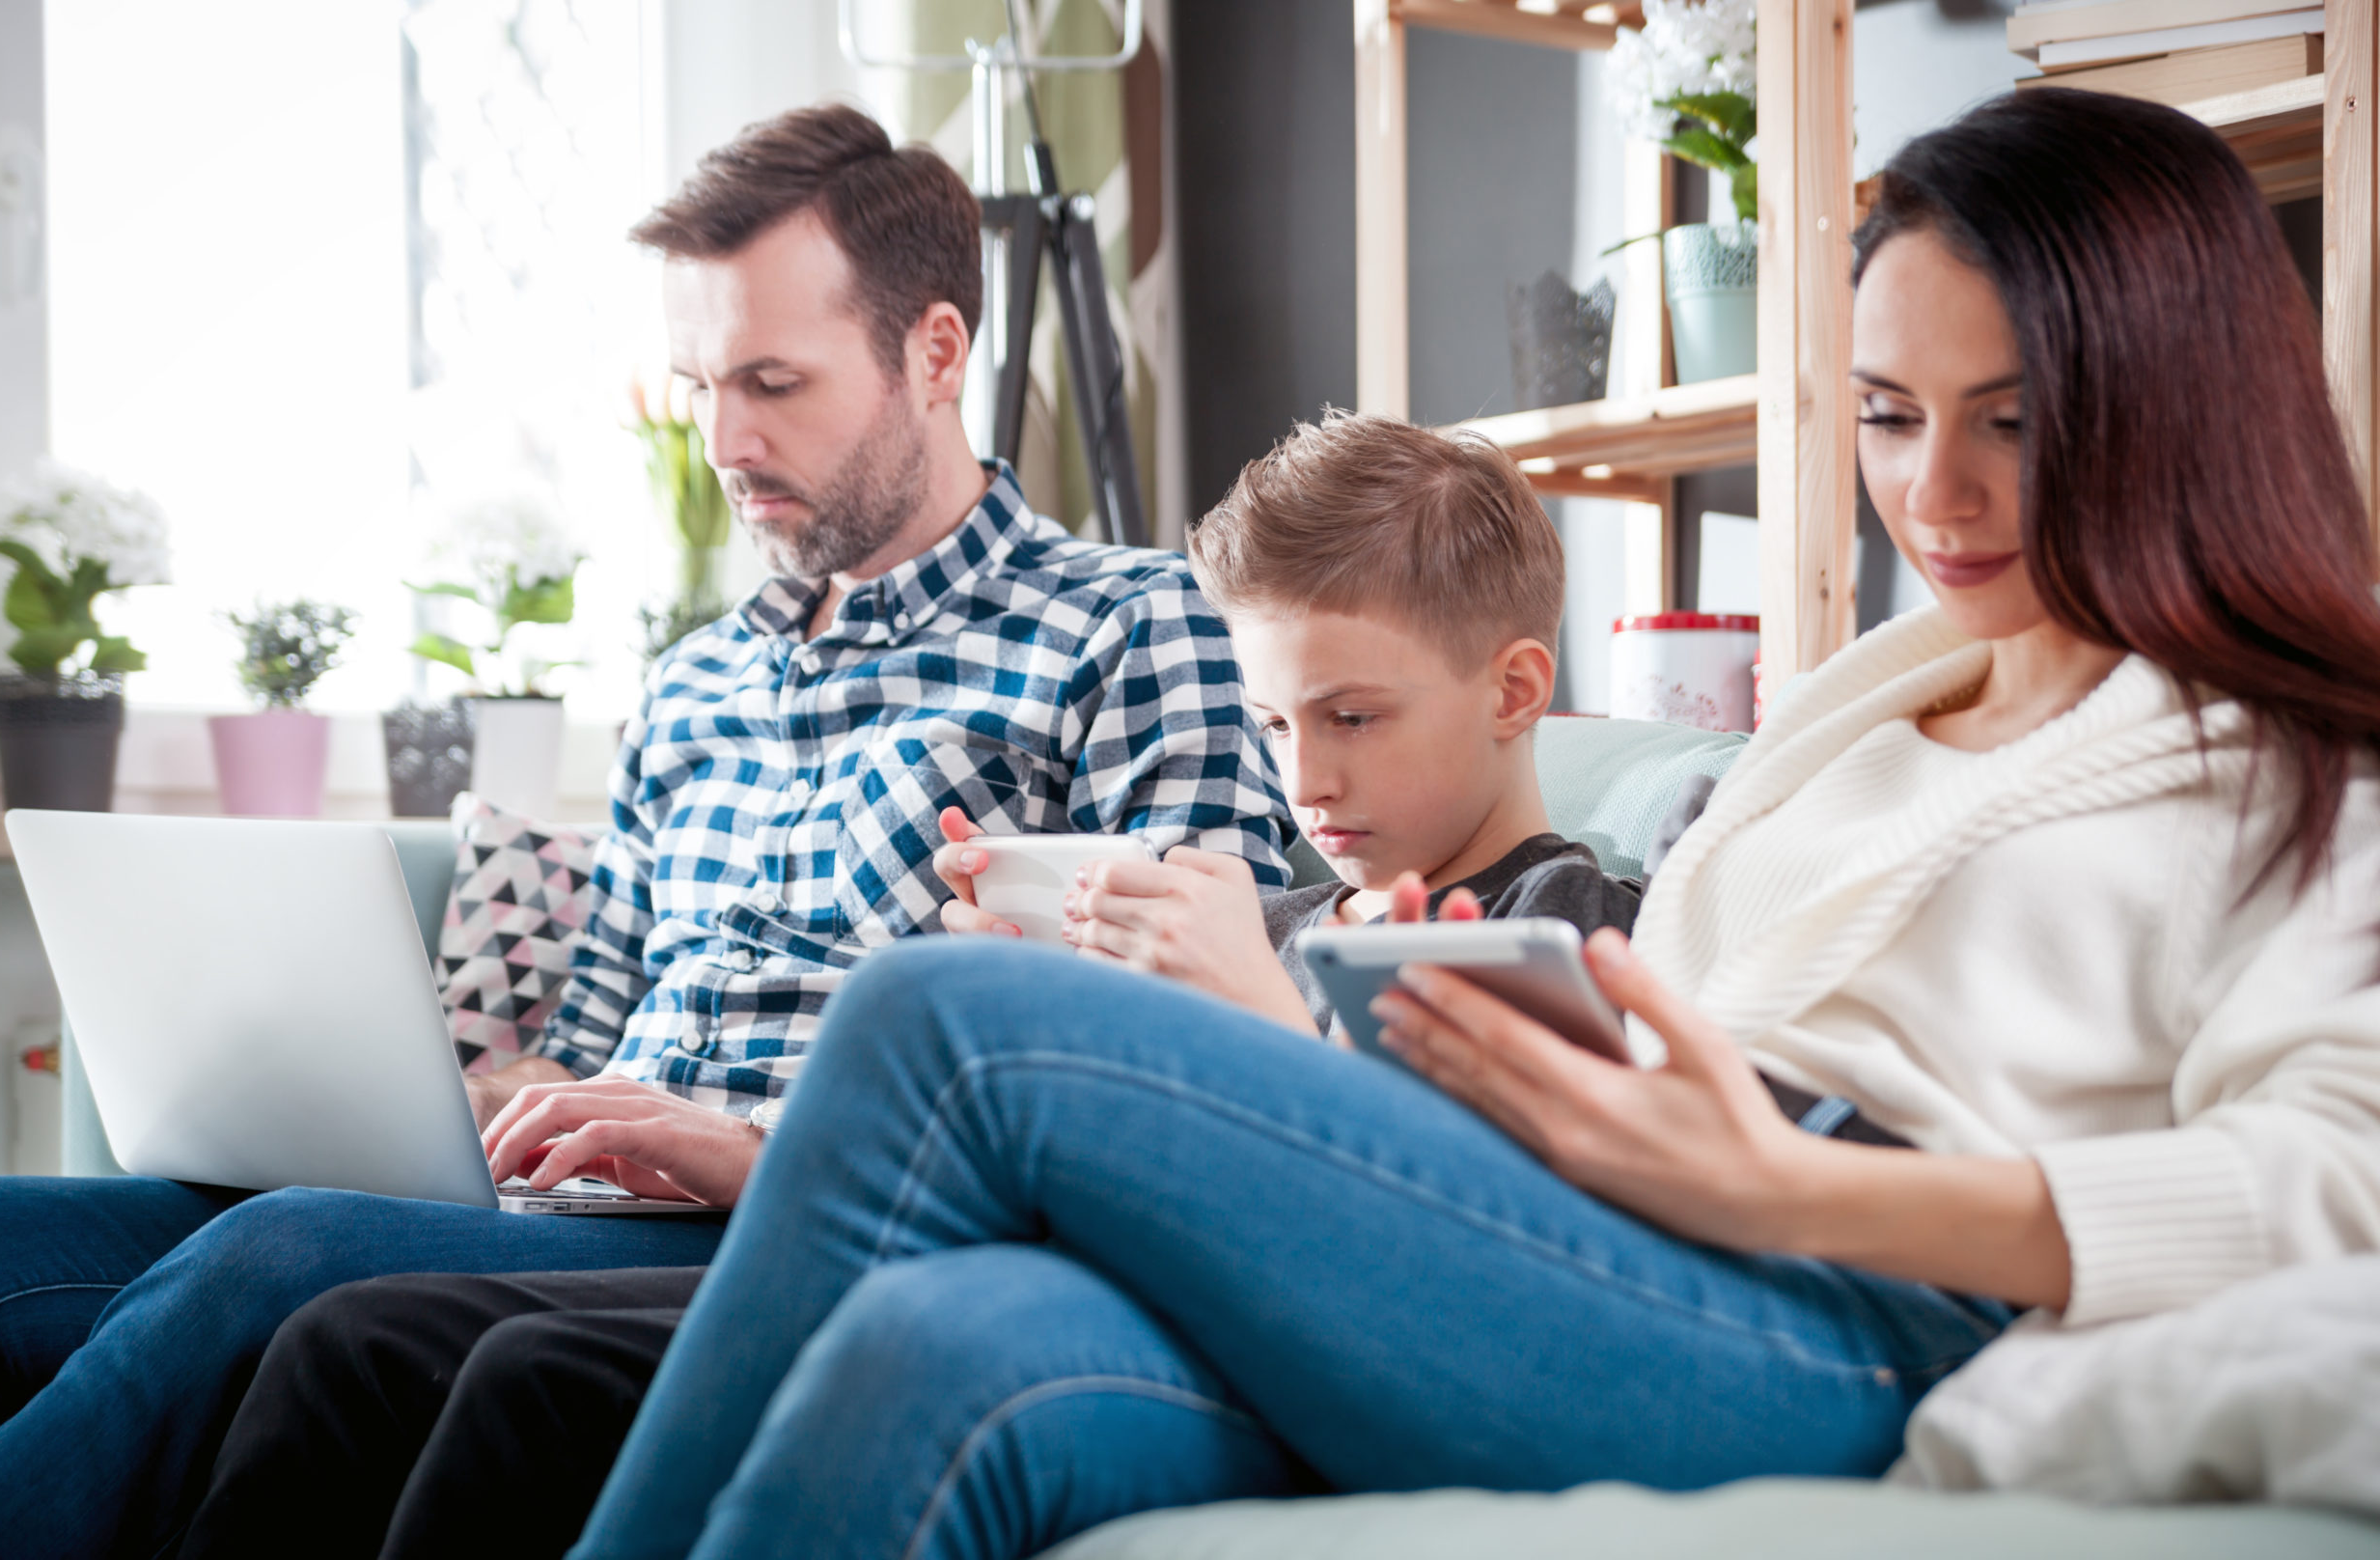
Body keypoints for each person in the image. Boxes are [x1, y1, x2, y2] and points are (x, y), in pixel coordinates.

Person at [550, 90, 2380, 1560]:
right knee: (943, 1353)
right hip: (1636, 1226)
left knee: (933, 1019)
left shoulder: (2304, 767)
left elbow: (2335, 1186)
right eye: (1893, 415)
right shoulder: (1876, 700)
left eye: (2015, 420)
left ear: (2175, 393)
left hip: (1856, 1295)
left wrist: (1792, 1184)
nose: (1938, 492)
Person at [0, 103, 1289, 1560]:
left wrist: (745, 1137)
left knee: (282, 1258)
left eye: (773, 382)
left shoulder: (1134, 626)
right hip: (566, 1204)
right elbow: (597, 1028)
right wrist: (460, 1096)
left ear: (937, 354)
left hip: (785, 1215)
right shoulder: (691, 680)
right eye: (700, 384)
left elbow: (1193, 1072)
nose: (725, 441)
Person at [172, 410, 1662, 1560]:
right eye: (1273, 722)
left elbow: (1480, 1258)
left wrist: (1232, 1009)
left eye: (1351, 716)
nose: (1305, 775)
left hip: (1182, 1346)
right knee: (359, 1343)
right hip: (990, 1261)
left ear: (1516, 691)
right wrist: (963, 1049)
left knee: (533, 1382)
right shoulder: (1251, 904)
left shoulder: (1562, 922)